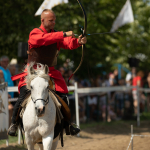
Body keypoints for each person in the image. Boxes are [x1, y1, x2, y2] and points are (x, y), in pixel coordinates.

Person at [8, 9, 87, 136]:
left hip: (50, 72)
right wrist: (64, 34)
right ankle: (14, 124)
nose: (54, 22)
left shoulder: (56, 34)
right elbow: (42, 40)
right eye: (51, 20)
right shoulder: (35, 32)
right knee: (24, 94)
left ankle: (68, 125)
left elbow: (67, 43)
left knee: (64, 96)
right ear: (42, 20)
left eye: (54, 20)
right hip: (33, 71)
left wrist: (78, 42)